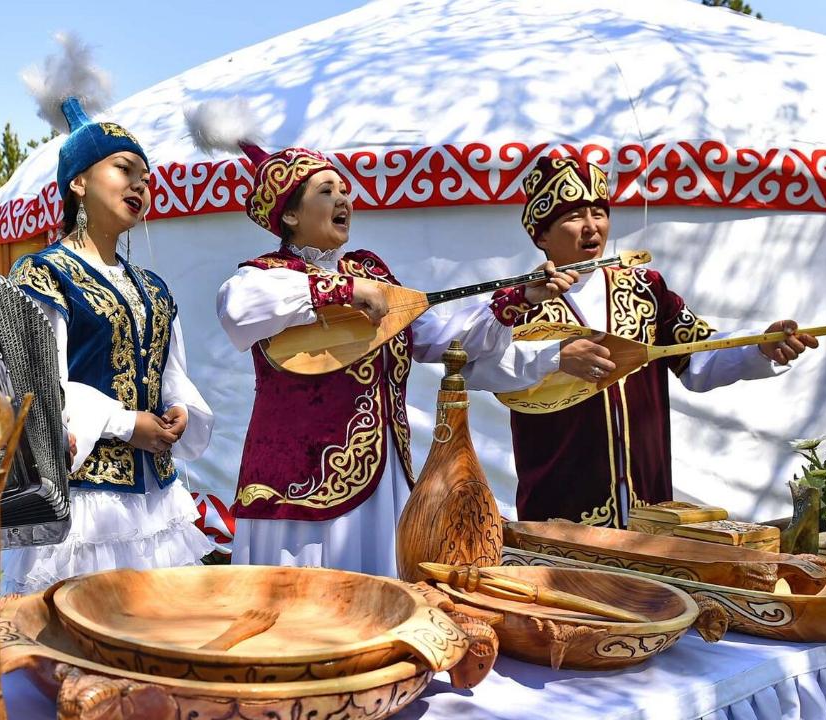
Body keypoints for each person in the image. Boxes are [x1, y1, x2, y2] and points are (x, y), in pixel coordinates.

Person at [209, 127, 577, 577]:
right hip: (300, 491)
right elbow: (237, 306)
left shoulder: (372, 272)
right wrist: (342, 290)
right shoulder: (266, 275)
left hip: (382, 485)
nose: (344, 199)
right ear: (289, 214)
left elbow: (442, 339)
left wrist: (516, 300)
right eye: (326, 191)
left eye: (344, 189)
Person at [485, 156, 818, 527]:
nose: (592, 227)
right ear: (542, 235)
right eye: (574, 216)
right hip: (559, 510)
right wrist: (552, 355)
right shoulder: (516, 306)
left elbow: (697, 358)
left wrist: (759, 347)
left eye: (599, 213)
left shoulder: (646, 288)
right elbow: (488, 370)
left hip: (649, 509)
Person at [2, 96, 214, 594]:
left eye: (146, 177)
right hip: (85, 502)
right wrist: (124, 423)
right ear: (78, 182)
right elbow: (36, 387)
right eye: (124, 169)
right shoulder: (43, 275)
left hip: (154, 500)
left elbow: (170, 372)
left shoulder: (153, 288)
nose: (140, 185)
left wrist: (179, 409)